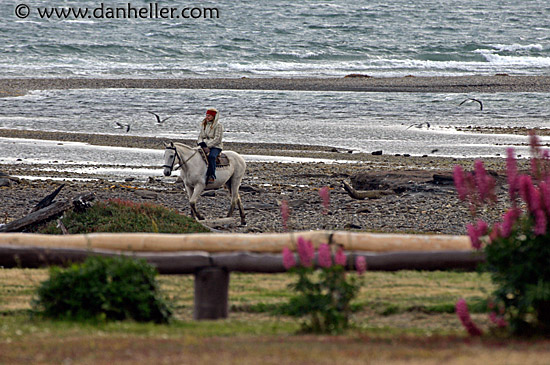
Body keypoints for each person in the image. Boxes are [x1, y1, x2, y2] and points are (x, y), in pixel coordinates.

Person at [197, 108, 223, 184]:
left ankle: (212, 175)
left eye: (209, 115)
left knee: (211, 157)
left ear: (213, 116)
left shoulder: (218, 126)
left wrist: (208, 146)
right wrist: (201, 143)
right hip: (204, 145)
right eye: (206, 115)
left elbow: (218, 139)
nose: (207, 117)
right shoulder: (204, 124)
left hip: (216, 146)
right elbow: (200, 136)